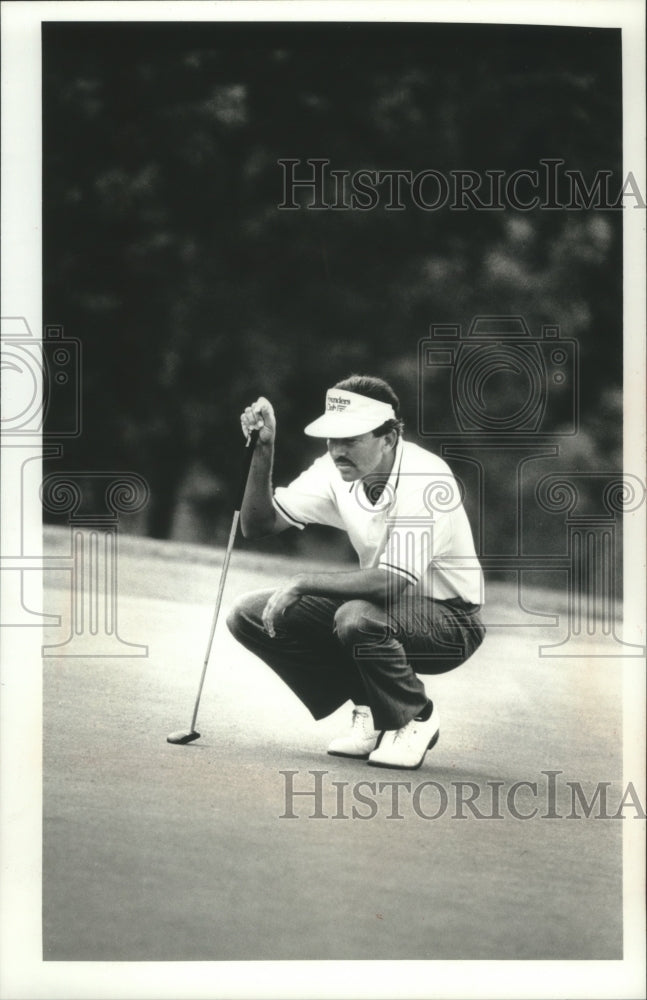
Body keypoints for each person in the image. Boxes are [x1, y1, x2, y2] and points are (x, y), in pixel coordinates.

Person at [226, 375, 485, 770]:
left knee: (355, 618)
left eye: (350, 439)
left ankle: (417, 716)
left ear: (389, 437)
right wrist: (264, 450)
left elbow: (391, 582)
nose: (336, 451)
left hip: (452, 622)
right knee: (248, 614)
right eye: (332, 439)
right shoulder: (334, 471)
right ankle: (370, 704)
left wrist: (302, 582)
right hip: (384, 611)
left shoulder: (427, 479)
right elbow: (257, 525)